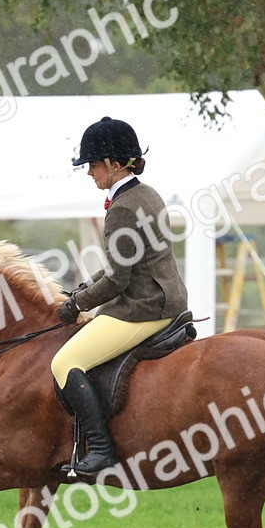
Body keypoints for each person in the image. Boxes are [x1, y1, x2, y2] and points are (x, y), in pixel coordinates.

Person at [51, 117, 189, 476]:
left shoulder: (123, 209)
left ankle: (100, 450)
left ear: (114, 165)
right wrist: (81, 290)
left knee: (64, 362)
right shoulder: (146, 194)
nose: (89, 173)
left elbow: (116, 281)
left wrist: (77, 305)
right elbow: (119, 265)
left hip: (143, 307)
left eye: (93, 165)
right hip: (164, 296)